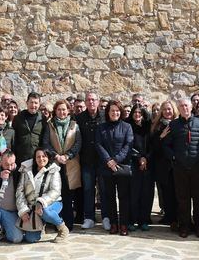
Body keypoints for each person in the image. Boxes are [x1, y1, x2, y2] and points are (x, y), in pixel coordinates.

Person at [163, 98, 199, 239]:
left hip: (198, 168)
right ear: (178, 109)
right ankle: (184, 226)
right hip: (180, 168)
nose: (184, 108)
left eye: (186, 105)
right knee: (182, 199)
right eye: (181, 106)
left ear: (191, 107)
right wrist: (173, 157)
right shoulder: (173, 125)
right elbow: (166, 145)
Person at [95, 100, 133, 235]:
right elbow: (98, 145)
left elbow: (128, 146)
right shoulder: (101, 127)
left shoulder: (127, 127)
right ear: (108, 112)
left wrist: (115, 160)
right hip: (106, 168)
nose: (115, 113)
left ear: (120, 112)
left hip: (122, 166)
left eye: (117, 110)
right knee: (109, 197)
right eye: (112, 111)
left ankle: (123, 224)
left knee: (123, 197)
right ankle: (114, 224)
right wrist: (108, 160)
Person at [43, 100, 82, 231]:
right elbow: (46, 143)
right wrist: (56, 156)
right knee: (55, 194)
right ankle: (56, 222)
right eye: (59, 109)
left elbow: (78, 143)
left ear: (68, 110)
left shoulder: (74, 125)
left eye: (64, 109)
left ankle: (68, 223)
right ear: (55, 111)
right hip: (55, 164)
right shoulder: (50, 125)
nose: (62, 112)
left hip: (70, 164)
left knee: (68, 195)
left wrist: (68, 155)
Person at [16, 148, 68, 243]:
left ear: (48, 157)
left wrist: (41, 202)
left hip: (53, 202)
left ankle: (62, 228)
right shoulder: (26, 170)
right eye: (38, 157)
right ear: (35, 158)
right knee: (31, 239)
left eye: (44, 156)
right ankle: (41, 226)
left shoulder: (54, 170)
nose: (41, 159)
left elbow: (55, 191)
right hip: (32, 207)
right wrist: (23, 210)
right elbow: (20, 192)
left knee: (46, 212)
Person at [75, 91, 108, 230]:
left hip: (102, 160)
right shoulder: (79, 118)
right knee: (88, 190)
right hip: (87, 160)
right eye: (88, 100)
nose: (91, 102)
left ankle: (106, 217)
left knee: (104, 190)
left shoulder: (105, 117)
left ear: (98, 101)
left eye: (93, 100)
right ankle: (89, 217)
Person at [150, 100, 179, 230]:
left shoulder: (178, 124)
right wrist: (160, 137)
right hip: (163, 165)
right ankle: (170, 217)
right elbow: (153, 148)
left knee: (178, 193)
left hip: (177, 165)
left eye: (170, 109)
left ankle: (178, 218)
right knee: (166, 193)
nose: (168, 111)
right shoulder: (157, 126)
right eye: (165, 109)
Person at [127, 104, 154, 231]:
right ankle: (132, 220)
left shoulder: (149, 127)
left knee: (146, 194)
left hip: (148, 164)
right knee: (134, 193)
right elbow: (128, 145)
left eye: (140, 113)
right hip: (134, 163)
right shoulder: (128, 126)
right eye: (135, 112)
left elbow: (153, 146)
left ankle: (144, 220)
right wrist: (139, 158)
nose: (137, 115)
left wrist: (146, 158)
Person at [12, 92, 49, 165]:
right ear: (27, 103)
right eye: (31, 102)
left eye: (36, 103)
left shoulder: (42, 119)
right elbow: (14, 138)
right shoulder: (18, 118)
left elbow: (45, 138)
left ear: (39, 104)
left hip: (38, 158)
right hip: (21, 157)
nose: (33, 105)